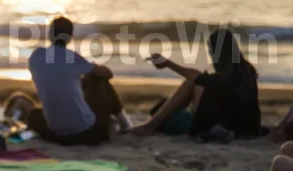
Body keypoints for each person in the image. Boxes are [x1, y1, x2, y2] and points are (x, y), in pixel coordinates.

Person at [129, 29, 261, 138]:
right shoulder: (246, 70)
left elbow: (197, 78)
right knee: (167, 105)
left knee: (190, 85)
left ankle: (150, 126)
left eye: (210, 50)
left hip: (223, 128)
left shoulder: (230, 76)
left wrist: (168, 63)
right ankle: (153, 123)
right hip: (240, 128)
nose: (209, 55)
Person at [27, 17, 132, 146]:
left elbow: (55, 77)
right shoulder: (73, 57)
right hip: (87, 133)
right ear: (70, 37)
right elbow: (108, 74)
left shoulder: (36, 56)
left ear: (50, 34)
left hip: (56, 133)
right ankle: (125, 123)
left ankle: (120, 122)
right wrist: (92, 68)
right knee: (99, 80)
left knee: (33, 115)